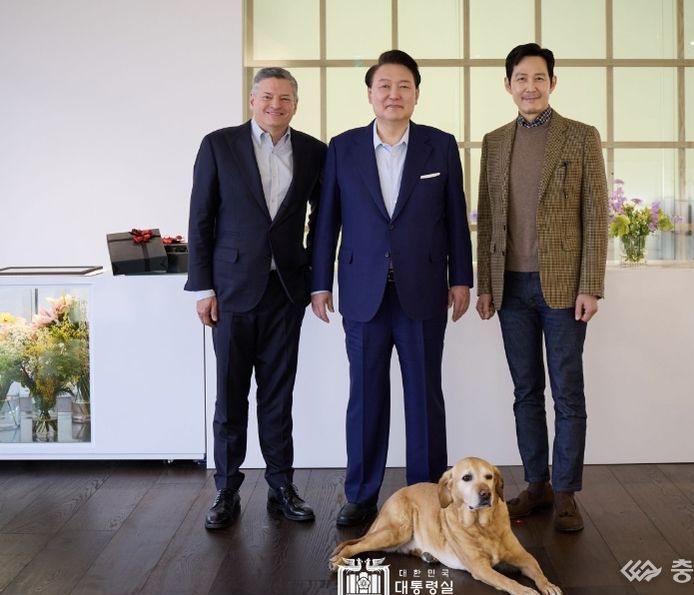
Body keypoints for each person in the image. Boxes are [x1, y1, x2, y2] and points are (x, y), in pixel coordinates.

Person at [311, 50, 473, 526]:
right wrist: (320, 284)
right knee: (365, 397)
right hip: (362, 293)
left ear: (417, 94)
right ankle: (361, 495)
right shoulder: (342, 148)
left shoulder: (440, 146)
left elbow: (456, 219)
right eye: (384, 85)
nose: (394, 94)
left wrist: (461, 277)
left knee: (424, 398)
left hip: (423, 290)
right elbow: (326, 222)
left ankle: (426, 495)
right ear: (370, 94)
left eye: (404, 86)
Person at [186, 67, 326, 529]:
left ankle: (281, 486)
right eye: (267, 96)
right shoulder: (218, 145)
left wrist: (314, 276)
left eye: (284, 98)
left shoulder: (313, 151)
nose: (275, 105)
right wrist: (203, 287)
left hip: (285, 292)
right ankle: (226, 489)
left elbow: (323, 220)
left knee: (278, 396)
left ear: (295, 105)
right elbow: (200, 219)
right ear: (252, 100)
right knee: (230, 396)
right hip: (230, 293)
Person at [475, 43, 608, 532]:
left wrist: (590, 285)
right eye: (521, 79)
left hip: (563, 288)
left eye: (538, 78)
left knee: (568, 392)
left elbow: (596, 215)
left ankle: (566, 492)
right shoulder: (494, 142)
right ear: (507, 85)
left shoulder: (580, 136)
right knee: (526, 391)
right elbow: (488, 218)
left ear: (552, 83)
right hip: (510, 287)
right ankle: (537, 485)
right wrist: (485, 285)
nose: (529, 87)